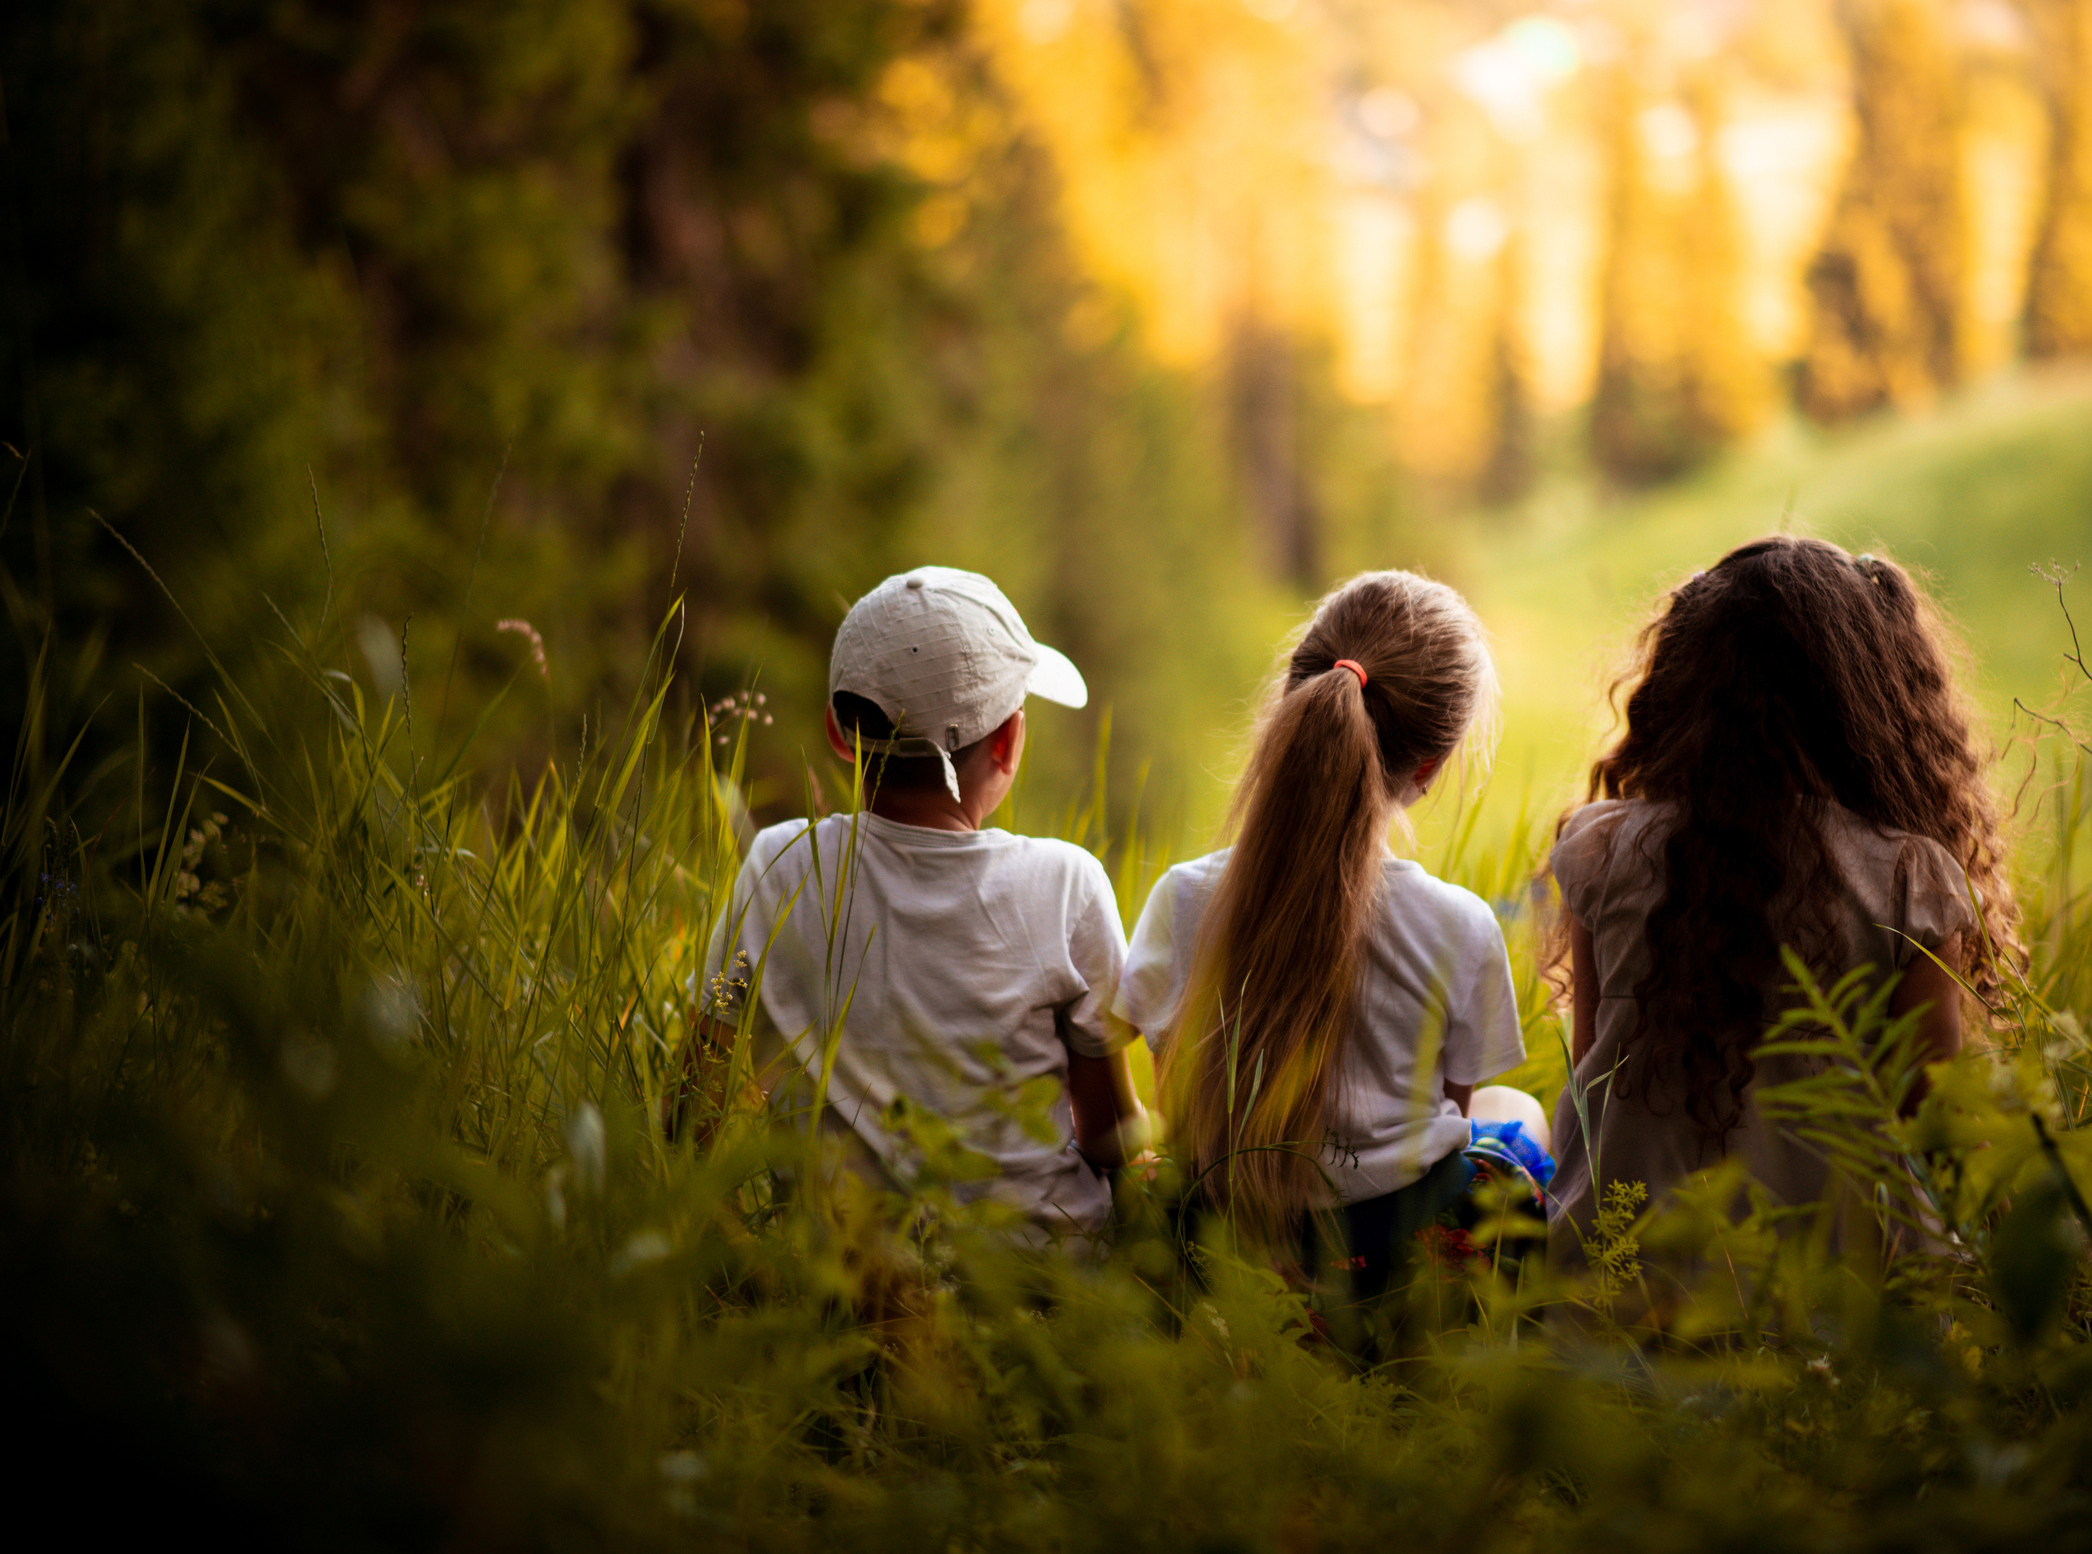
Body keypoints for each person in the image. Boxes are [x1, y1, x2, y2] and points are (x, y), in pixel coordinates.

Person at [1542, 536, 2020, 1270]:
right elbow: (1942, 1124)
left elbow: (1590, 1092)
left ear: (1680, 687)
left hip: (1617, 1303)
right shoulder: (1906, 876)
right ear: (1871, 704)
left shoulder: (1600, 850)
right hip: (1839, 1323)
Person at [672, 566, 1144, 1241]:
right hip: (1041, 1284)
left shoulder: (779, 866)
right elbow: (1109, 1138)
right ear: (1008, 741)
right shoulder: (1066, 882)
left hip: (842, 1279)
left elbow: (691, 1109)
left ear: (840, 733)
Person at [1108, 571, 1530, 1300]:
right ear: (1428, 768)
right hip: (1396, 1261)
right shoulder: (1461, 924)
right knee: (1517, 1120)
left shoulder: (1184, 897)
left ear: (1291, 708)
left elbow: (1177, 1101)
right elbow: (1447, 1118)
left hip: (1223, 1248)